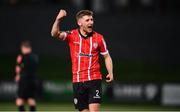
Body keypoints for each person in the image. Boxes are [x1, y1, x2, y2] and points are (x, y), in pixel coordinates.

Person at [51, 9, 114, 112]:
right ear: (79, 23)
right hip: (78, 82)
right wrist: (58, 20)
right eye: (87, 20)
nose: (91, 22)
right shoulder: (71, 35)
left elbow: (106, 56)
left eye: (92, 20)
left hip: (94, 80)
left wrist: (110, 72)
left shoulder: (99, 38)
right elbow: (54, 34)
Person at [15, 40, 39, 112]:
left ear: (23, 48)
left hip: (24, 81)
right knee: (31, 99)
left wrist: (18, 75)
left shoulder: (22, 57)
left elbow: (18, 69)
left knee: (19, 101)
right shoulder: (35, 57)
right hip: (33, 80)